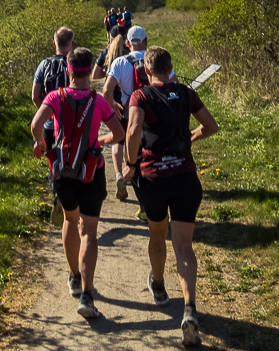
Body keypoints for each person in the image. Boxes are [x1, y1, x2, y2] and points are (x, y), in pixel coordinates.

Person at [123, 45, 219, 347]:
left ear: (147, 71)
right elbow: (211, 126)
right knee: (185, 247)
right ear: (171, 68)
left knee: (157, 236)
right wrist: (189, 139)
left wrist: (131, 163)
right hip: (185, 178)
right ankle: (189, 309)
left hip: (153, 179)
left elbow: (134, 130)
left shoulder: (141, 95)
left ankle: (160, 286)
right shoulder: (186, 93)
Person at [31, 47, 125, 320]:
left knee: (70, 221)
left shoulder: (55, 97)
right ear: (88, 72)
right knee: (90, 232)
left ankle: (73, 276)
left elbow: (37, 124)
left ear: (69, 70)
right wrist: (101, 142)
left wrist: (40, 143)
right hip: (91, 171)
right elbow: (118, 133)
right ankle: (87, 294)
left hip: (63, 171)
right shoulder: (100, 102)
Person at [103, 25, 172, 204]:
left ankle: (139, 194)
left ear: (127, 43)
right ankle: (154, 197)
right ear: (146, 41)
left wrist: (113, 104)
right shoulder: (155, 60)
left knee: (132, 158)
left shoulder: (120, 62)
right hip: (155, 115)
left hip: (130, 115)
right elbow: (174, 84)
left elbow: (106, 90)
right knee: (153, 156)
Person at [32, 27, 74, 226]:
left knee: (53, 161)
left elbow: (35, 95)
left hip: (49, 124)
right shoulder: (75, 64)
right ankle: (72, 199)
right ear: (72, 44)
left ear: (53, 44)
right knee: (73, 159)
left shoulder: (44, 64)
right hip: (72, 123)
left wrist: (45, 111)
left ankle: (58, 192)